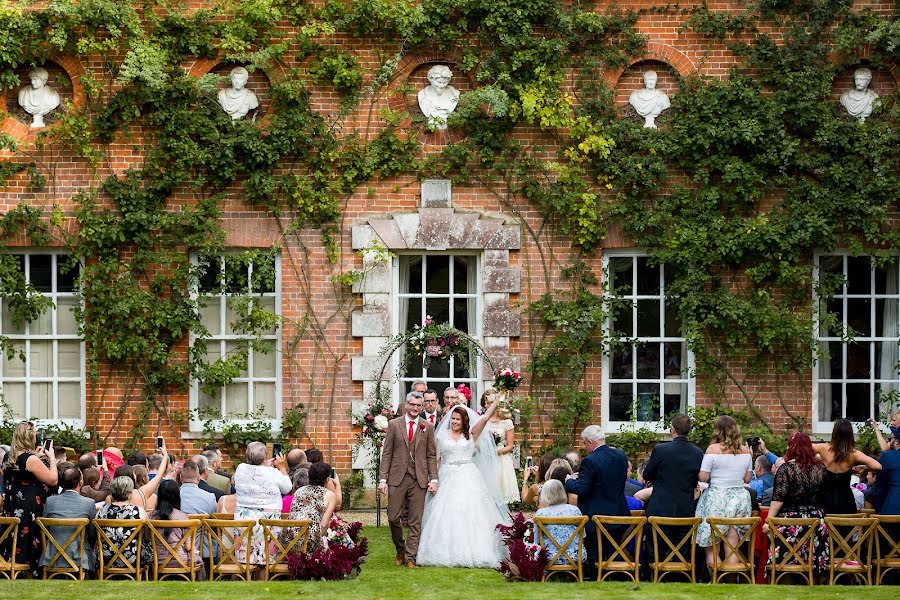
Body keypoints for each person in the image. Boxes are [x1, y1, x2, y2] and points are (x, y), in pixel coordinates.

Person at [416, 401, 509, 567]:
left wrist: (498, 398)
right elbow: (436, 460)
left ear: (464, 421)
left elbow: (486, 417)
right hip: (447, 476)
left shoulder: (472, 434)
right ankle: (443, 551)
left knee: (472, 512)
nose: (454, 422)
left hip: (468, 476)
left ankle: (477, 551)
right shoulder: (442, 436)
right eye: (452, 419)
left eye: (458, 419)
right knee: (445, 513)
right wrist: (434, 479)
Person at [378, 391, 439, 568]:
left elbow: (431, 455)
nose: (415, 408)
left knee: (416, 520)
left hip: (419, 478)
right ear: (406, 405)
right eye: (412, 405)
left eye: (419, 406)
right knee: (392, 517)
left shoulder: (427, 426)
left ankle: (411, 557)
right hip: (397, 477)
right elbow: (387, 453)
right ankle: (400, 549)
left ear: (422, 407)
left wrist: (433, 479)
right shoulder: (394, 425)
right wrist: (383, 478)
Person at [564, 425, 630, 570]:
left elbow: (582, 489)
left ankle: (596, 577)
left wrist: (568, 480)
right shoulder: (620, 456)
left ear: (590, 441)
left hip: (596, 518)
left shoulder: (590, 461)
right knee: (613, 554)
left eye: (585, 443)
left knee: (595, 558)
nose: (585, 446)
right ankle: (614, 577)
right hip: (619, 514)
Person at [763, 432, 829, 576]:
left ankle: (785, 578)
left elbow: (778, 498)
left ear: (791, 447)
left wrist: (769, 520)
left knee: (784, 555)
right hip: (816, 520)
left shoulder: (786, 469)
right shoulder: (821, 468)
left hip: (791, 521)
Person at [694, 416, 753, 572]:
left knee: (712, 545)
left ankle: (715, 582)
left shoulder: (712, 450)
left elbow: (704, 477)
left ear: (718, 430)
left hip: (717, 497)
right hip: (740, 497)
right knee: (732, 545)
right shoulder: (746, 451)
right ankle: (729, 580)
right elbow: (747, 478)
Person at [1, 421, 58, 574]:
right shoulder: (31, 460)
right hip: (29, 505)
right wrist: (51, 458)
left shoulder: (7, 456)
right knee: (28, 534)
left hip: (12, 503)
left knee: (14, 534)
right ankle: (29, 567)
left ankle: (11, 563)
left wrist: (35, 456)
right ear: (30, 437)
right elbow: (53, 479)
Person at [234, 441, 291, 564]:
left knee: (246, 556)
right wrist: (282, 468)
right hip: (268, 521)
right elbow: (287, 488)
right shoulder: (273, 473)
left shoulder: (240, 469)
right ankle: (264, 574)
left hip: (244, 519)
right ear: (264, 458)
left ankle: (245, 574)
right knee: (265, 557)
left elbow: (254, 473)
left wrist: (264, 466)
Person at [812, 418, 881, 514]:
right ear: (850, 434)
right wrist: (862, 466)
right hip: (846, 500)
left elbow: (801, 450)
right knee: (846, 528)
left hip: (825, 500)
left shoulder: (823, 448)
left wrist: (819, 460)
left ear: (834, 433)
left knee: (827, 527)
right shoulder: (854, 454)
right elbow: (877, 466)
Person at [642, 414, 704, 518]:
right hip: (685, 511)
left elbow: (647, 475)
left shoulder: (660, 450)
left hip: (660, 509)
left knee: (656, 534)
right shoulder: (698, 453)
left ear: (673, 430)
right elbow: (697, 479)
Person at [38, 465, 96, 573]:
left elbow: (44, 529)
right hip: (80, 558)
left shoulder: (50, 501)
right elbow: (93, 534)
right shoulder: (89, 503)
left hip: (52, 555)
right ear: (80, 482)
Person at [150, 479, 205, 579]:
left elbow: (147, 538)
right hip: (182, 561)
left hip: (158, 560)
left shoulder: (152, 517)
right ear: (177, 497)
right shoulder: (182, 517)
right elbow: (188, 547)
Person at [96, 476, 153, 570]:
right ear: (130, 494)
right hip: (134, 558)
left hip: (107, 558)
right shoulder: (139, 512)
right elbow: (147, 536)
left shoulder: (101, 512)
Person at [281, 462, 338, 550]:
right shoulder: (330, 495)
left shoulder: (299, 491)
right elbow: (323, 525)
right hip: (309, 542)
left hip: (288, 539)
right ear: (327, 479)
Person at [534, 480, 586, 565]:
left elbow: (537, 541)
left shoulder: (540, 513)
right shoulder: (574, 510)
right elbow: (582, 536)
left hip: (549, 556)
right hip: (576, 556)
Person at [483, 388, 520, 504]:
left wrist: (494, 452)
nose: (486, 405)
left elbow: (510, 446)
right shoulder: (484, 421)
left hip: (501, 459)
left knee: (501, 492)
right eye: (486, 402)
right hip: (486, 459)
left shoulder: (507, 422)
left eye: (489, 402)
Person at [417, 64, 460, 129]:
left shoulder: (454, 94)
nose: (442, 85)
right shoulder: (422, 95)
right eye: (439, 82)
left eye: (445, 82)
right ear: (430, 79)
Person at [873, 437, 900, 514]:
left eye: (891, 438)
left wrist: (880, 511)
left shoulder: (888, 457)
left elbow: (879, 488)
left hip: (892, 510)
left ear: (897, 441)